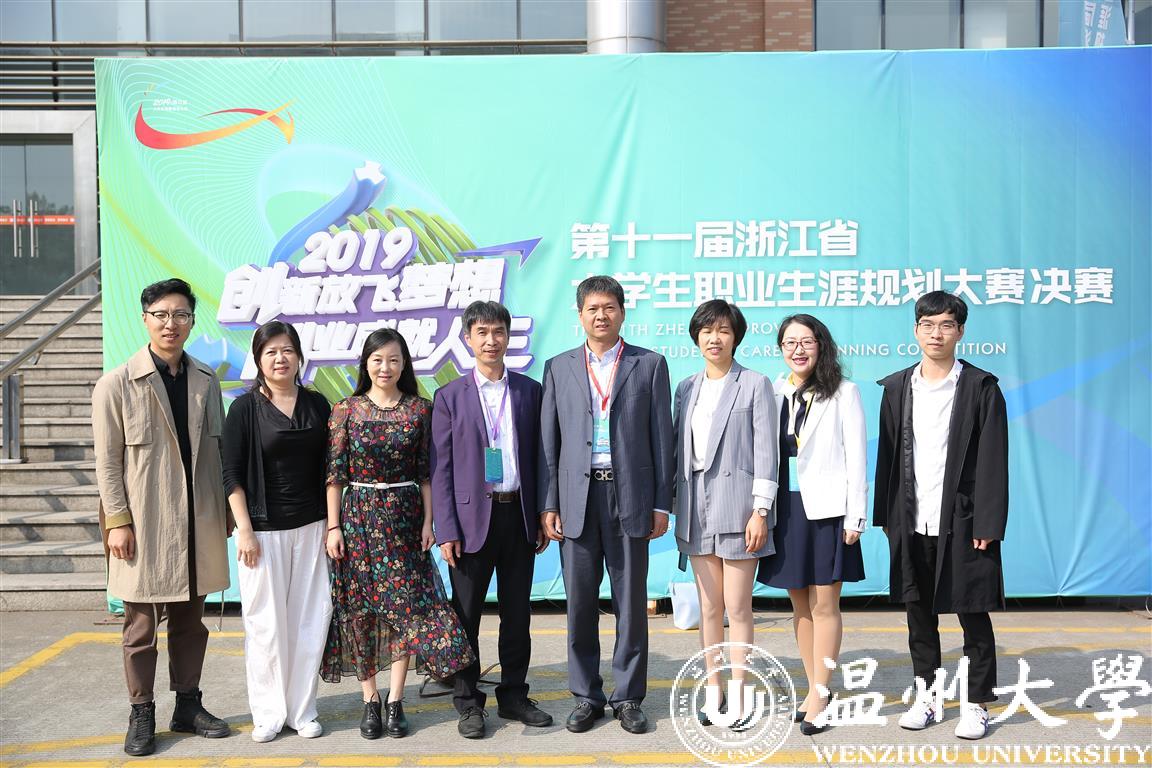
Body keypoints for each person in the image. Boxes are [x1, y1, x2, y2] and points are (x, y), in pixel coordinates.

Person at [92, 277, 232, 757]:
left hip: (197, 520)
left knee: (192, 622)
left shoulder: (206, 380)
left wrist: (224, 513)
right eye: (162, 315)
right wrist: (117, 521)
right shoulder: (116, 384)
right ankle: (142, 711)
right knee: (140, 627)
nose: (171, 323)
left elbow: (216, 452)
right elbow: (107, 463)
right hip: (144, 523)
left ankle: (188, 705)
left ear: (192, 321)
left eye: (181, 315)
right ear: (145, 319)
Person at [320, 328, 473, 740]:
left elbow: (427, 473)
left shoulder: (421, 410)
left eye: (393, 359)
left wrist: (428, 522)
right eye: (377, 359)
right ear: (365, 363)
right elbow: (335, 475)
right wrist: (334, 527)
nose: (385, 367)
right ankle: (369, 699)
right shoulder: (346, 410)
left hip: (405, 517)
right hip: (358, 518)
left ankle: (395, 700)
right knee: (361, 610)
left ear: (404, 364)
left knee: (407, 609)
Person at [539, 275, 674, 735]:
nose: (601, 315)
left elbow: (662, 439)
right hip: (577, 499)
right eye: (593, 308)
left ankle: (629, 697)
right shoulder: (558, 367)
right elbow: (550, 444)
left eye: (609, 307)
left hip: (629, 497)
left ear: (622, 312)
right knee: (579, 605)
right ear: (579, 314)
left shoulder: (649, 364)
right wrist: (550, 503)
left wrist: (661, 504)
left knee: (631, 604)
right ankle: (586, 696)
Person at [874, 291, 1009, 741]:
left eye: (946, 325)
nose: (937, 333)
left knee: (973, 613)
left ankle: (976, 703)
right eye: (928, 325)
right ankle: (928, 697)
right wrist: (887, 517)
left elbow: (993, 459)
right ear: (916, 330)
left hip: (964, 522)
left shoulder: (980, 387)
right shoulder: (898, 388)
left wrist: (988, 523)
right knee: (918, 615)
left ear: (960, 331)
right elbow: (888, 456)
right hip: (912, 518)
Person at [431, 301, 553, 739]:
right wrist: (446, 528)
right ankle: (468, 703)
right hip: (468, 525)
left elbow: (543, 458)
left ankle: (514, 696)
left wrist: (542, 513)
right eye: (481, 332)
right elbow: (441, 469)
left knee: (517, 615)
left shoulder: (529, 391)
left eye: (498, 331)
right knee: (465, 617)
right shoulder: (449, 397)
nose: (490, 340)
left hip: (517, 515)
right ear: (468, 339)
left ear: (508, 337)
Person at [755, 314, 867, 735]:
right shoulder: (773, 391)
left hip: (828, 511)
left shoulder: (844, 392)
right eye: (789, 342)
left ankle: (821, 693)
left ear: (821, 345)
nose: (798, 349)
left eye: (806, 341)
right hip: (787, 510)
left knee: (824, 606)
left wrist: (855, 515)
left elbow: (857, 457)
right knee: (799, 606)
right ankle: (813, 688)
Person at [222, 320, 332, 743]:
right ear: (258, 360)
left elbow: (332, 468)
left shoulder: (318, 404)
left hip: (312, 527)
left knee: (310, 620)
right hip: (263, 532)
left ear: (299, 356)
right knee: (265, 624)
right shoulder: (244, 409)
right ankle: (268, 713)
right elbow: (231, 473)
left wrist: (332, 525)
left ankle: (303, 710)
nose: (280, 358)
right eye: (271, 352)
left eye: (287, 350)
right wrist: (245, 530)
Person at [672, 299, 778, 728]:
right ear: (696, 337)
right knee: (709, 607)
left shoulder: (754, 384)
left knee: (738, 607)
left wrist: (760, 510)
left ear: (736, 337)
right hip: (696, 507)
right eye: (707, 331)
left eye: (723, 331)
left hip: (739, 507)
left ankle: (739, 693)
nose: (714, 338)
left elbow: (767, 452)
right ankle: (713, 690)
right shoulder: (686, 387)